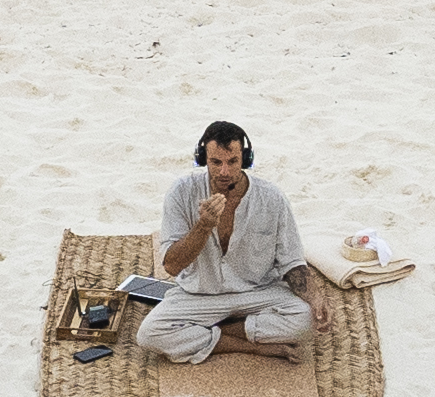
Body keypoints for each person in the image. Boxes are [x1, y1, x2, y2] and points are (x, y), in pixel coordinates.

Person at [134, 122, 312, 366]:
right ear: (203, 159)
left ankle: (209, 332)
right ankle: (249, 345)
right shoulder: (181, 192)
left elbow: (292, 261)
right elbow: (172, 266)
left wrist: (316, 298)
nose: (225, 171)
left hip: (257, 292)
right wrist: (204, 226)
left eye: (233, 162)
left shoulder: (272, 197)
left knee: (306, 319)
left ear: (245, 160)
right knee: (149, 334)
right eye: (216, 162)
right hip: (201, 294)